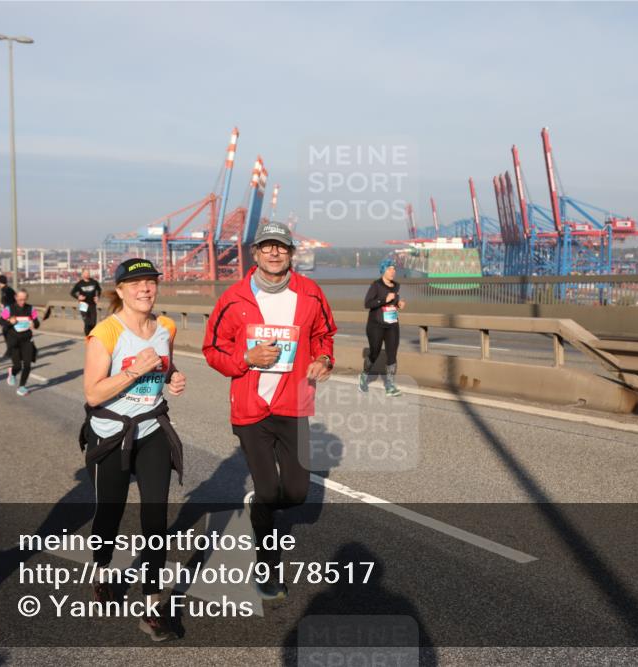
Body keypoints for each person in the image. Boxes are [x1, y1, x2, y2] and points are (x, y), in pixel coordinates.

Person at [202, 221, 336, 600]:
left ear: (291, 253)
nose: (274, 253)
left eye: (281, 247)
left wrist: (324, 359)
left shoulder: (310, 294)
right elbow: (212, 349)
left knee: (295, 494)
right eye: (267, 247)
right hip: (251, 408)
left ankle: (262, 506)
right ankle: (266, 565)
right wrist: (244, 358)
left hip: (294, 403)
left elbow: (324, 336)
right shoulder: (233, 298)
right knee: (267, 487)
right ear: (256, 253)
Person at [81, 258, 187, 641]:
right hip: (110, 433)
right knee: (109, 512)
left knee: (155, 517)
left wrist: (172, 377)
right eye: (136, 283)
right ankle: (101, 569)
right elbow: (92, 393)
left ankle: (153, 604)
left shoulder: (166, 327)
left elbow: (165, 364)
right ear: (120, 291)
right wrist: (135, 372)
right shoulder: (105, 333)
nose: (145, 289)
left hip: (152, 429)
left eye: (151, 282)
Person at [359, 258, 406, 396]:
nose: (392, 272)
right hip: (376, 325)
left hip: (392, 324)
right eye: (389, 269)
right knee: (375, 352)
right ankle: (364, 375)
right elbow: (367, 303)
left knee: (392, 354)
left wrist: (399, 304)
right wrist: (383, 300)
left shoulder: (396, 286)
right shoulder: (376, 285)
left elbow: (394, 302)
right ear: (383, 270)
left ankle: (390, 385)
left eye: (394, 269)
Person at [0, 290, 41, 396]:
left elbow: (37, 322)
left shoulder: (31, 309)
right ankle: (12, 372)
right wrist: (9, 322)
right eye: (20, 299)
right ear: (15, 297)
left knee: (27, 364)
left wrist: (34, 324)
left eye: (24, 299)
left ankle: (22, 387)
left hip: (27, 339)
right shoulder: (9, 309)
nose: (22, 301)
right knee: (17, 365)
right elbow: (0, 321)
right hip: (14, 340)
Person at [71, 268, 103, 337]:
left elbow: (99, 290)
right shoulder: (79, 284)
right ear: (82, 274)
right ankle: (87, 336)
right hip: (83, 304)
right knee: (87, 322)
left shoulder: (94, 282)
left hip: (92, 304)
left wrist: (97, 297)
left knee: (93, 322)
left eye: (88, 273)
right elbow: (72, 293)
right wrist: (78, 297)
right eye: (85, 273)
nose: (87, 274)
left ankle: (91, 336)